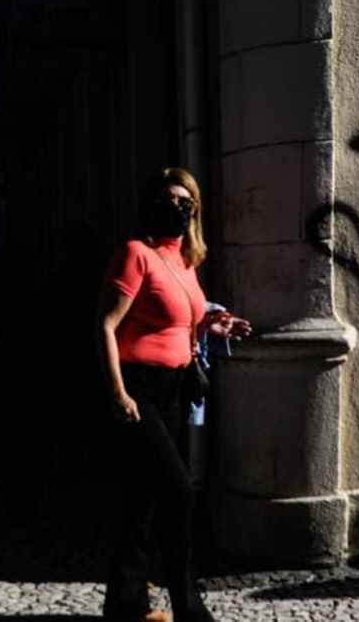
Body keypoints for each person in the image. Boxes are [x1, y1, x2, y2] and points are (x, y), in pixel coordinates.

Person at [98, 169, 252, 622]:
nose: (178, 209)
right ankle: (189, 606)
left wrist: (214, 325)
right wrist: (118, 392)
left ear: (195, 211)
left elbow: (182, 321)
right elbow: (105, 325)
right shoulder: (136, 254)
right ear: (151, 204)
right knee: (179, 491)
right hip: (139, 389)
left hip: (175, 389)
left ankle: (126, 606)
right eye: (169, 200)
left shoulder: (185, 262)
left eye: (186, 203)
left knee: (142, 501)